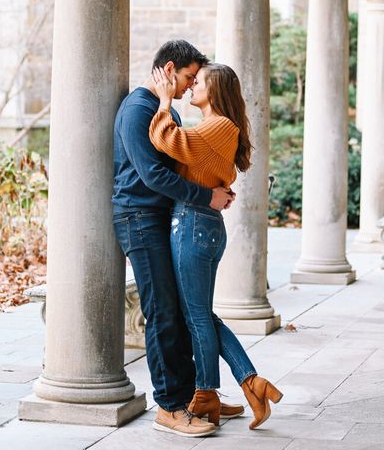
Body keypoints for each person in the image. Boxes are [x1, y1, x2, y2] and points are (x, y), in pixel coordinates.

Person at [112, 40, 241, 438]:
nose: (189, 87)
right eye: (187, 78)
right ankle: (169, 407)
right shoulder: (139, 110)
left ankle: (191, 398)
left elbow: (185, 163)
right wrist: (208, 197)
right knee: (163, 312)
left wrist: (216, 186)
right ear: (169, 70)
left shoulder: (161, 112)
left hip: (160, 217)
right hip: (139, 219)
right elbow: (154, 177)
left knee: (179, 310)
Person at [149, 63, 283, 431]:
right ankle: (250, 382)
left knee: (196, 317)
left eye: (199, 82)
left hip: (193, 224)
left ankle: (207, 392)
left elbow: (169, 140)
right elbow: (196, 160)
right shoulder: (217, 128)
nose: (192, 87)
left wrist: (163, 101)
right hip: (201, 224)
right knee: (201, 315)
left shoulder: (220, 125)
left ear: (216, 90)